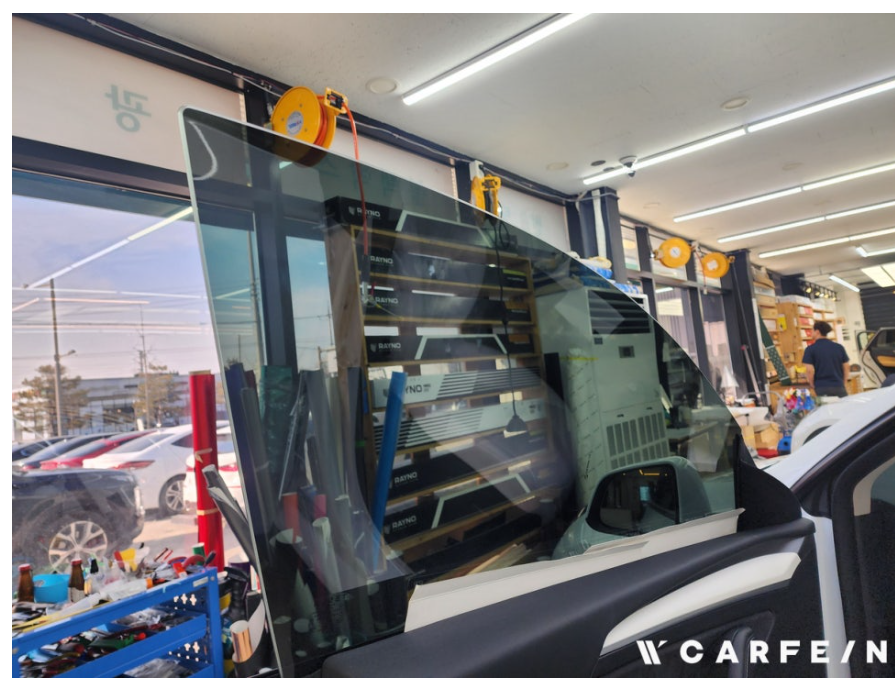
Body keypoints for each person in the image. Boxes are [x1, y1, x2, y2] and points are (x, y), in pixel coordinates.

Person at [802, 321, 850, 398]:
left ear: (817, 332)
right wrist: (843, 382)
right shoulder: (839, 347)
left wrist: (812, 384)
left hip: (821, 387)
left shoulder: (810, 349)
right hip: (838, 385)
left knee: (825, 405)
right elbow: (846, 367)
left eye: (812, 330)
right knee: (843, 405)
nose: (811, 332)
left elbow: (810, 370)